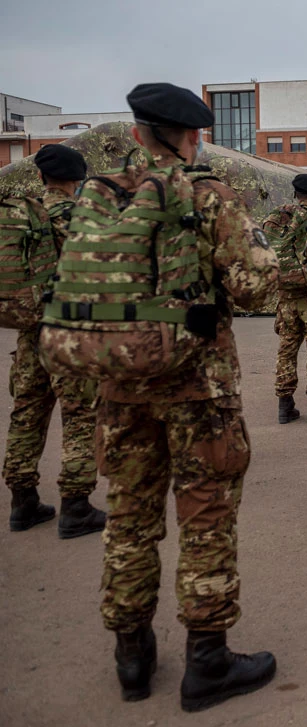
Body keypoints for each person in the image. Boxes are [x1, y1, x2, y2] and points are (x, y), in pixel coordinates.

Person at [90, 83, 279, 710]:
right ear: (191, 136)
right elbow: (254, 286)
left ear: (138, 132)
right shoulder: (208, 195)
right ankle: (207, 661)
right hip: (199, 385)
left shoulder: (102, 196)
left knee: (129, 519)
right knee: (205, 517)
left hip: (119, 383)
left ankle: (132, 658)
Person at [4, 144, 106, 539]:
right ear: (78, 178)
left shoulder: (24, 213)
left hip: (31, 331)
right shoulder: (77, 215)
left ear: (43, 176)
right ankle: (76, 507)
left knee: (26, 413)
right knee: (80, 416)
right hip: (69, 333)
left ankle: (22, 502)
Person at [262, 173, 307, 426]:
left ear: (296, 193)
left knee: (286, 348)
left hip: (285, 295)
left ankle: (285, 405)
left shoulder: (277, 216)